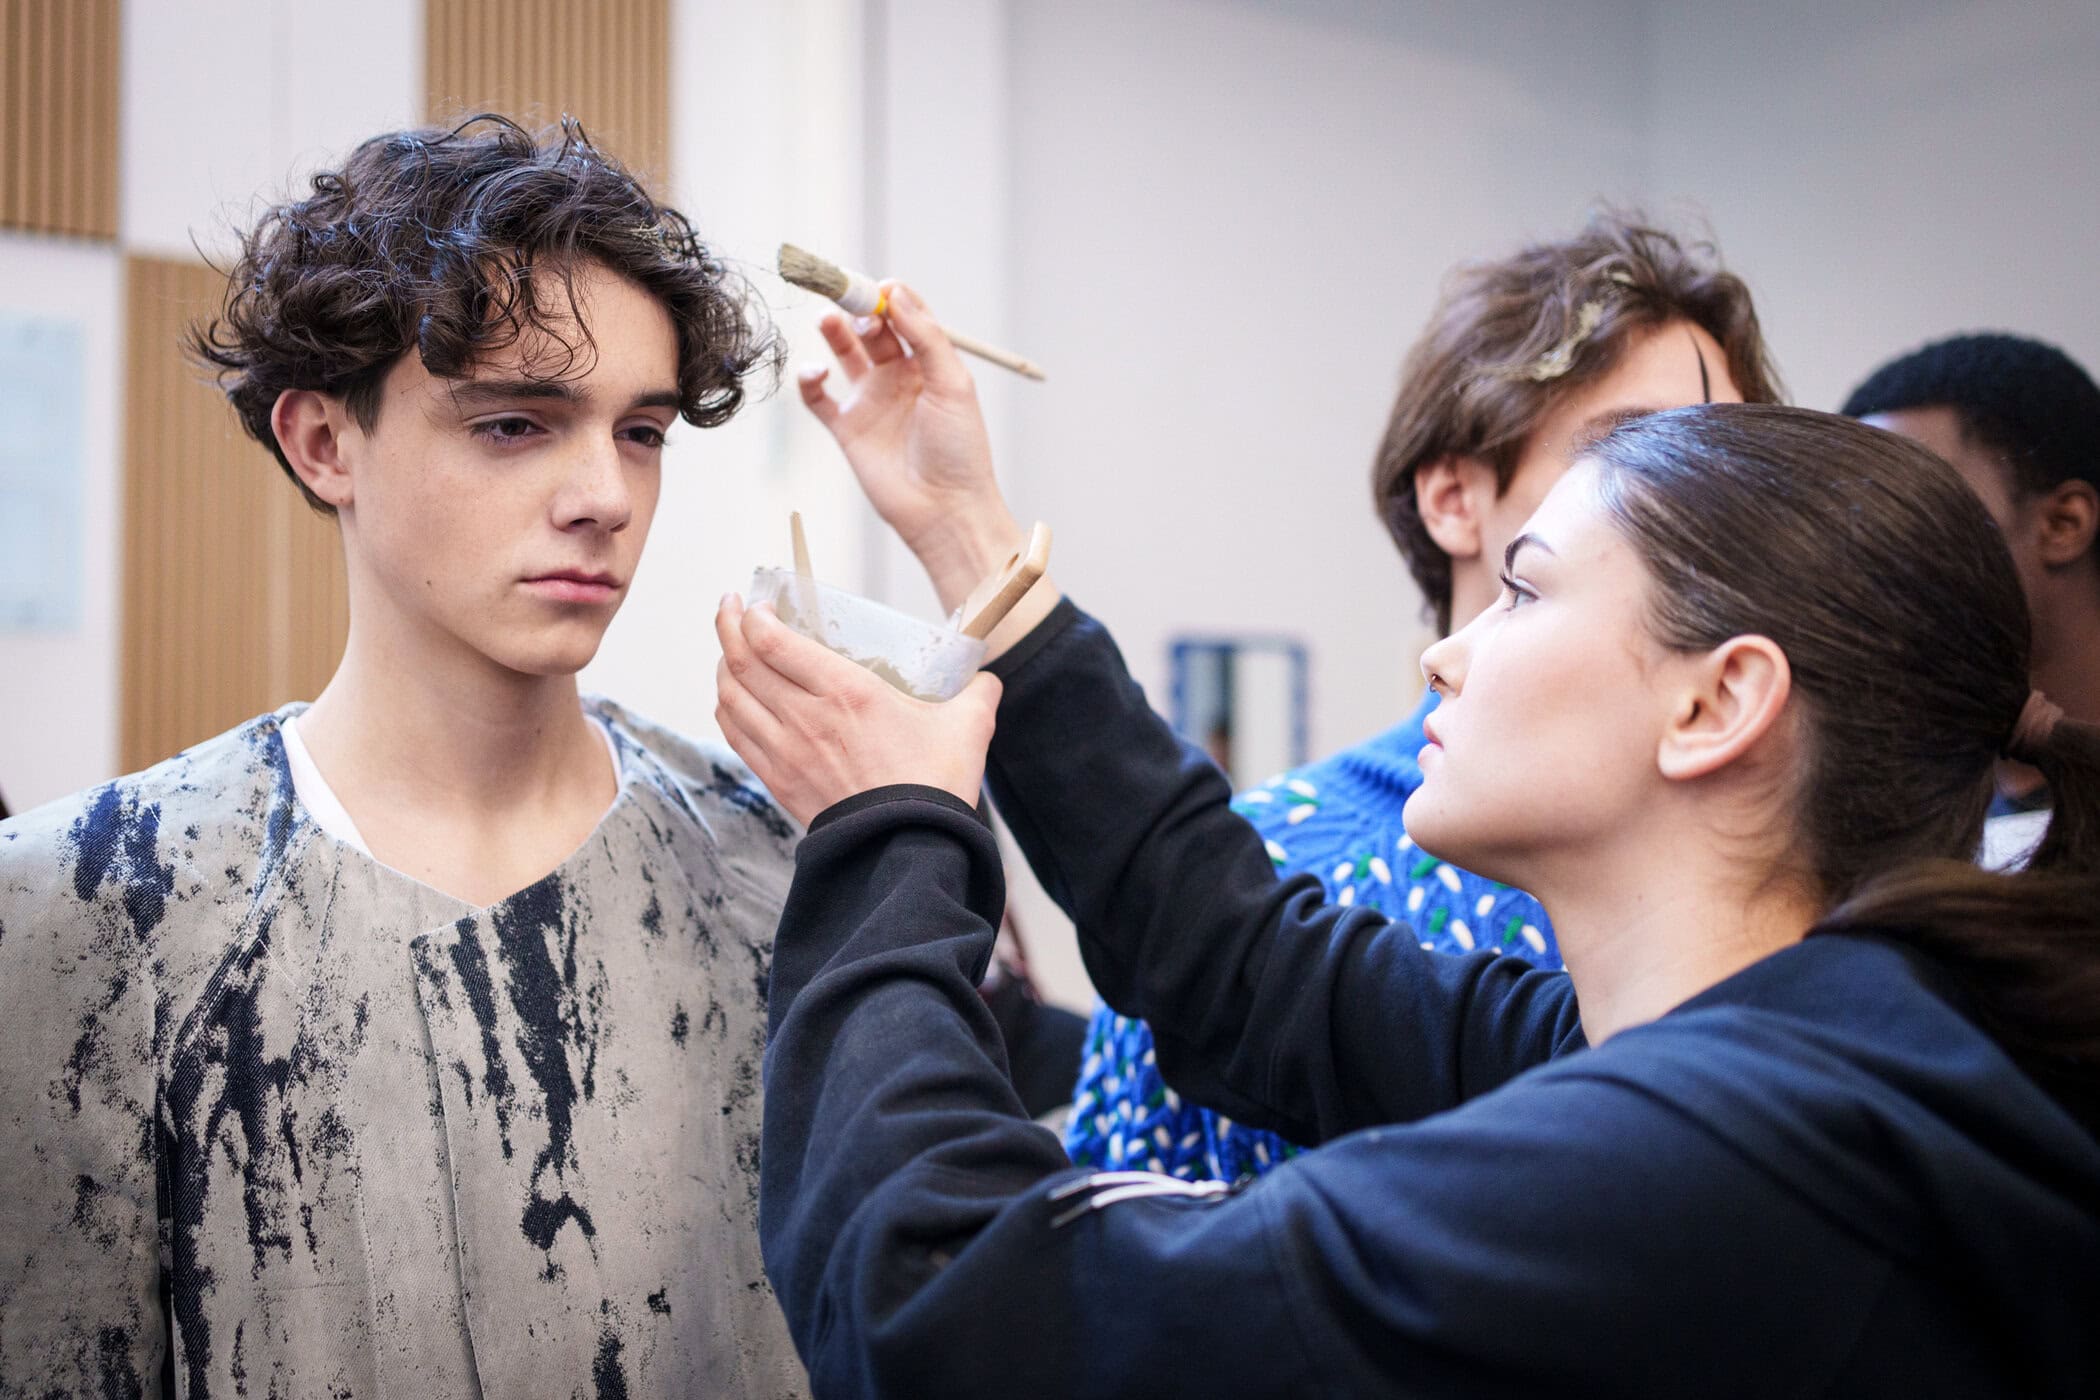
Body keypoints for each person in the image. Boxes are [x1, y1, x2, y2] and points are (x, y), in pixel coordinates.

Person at [716, 288, 2099, 1395]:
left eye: (1528, 593)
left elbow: (942, 1312)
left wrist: (886, 835)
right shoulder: (1836, 1036)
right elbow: (1249, 964)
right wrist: (967, 534)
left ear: (1718, 699)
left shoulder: (1701, 1164)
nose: (1447, 654)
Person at [0, 117, 808, 1397]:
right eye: (514, 424)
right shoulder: (89, 907)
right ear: (325, 443)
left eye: (641, 431)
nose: (603, 491)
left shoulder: (773, 860)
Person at [1069, 211, 1782, 1181]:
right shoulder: (1268, 866)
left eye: (1729, 465)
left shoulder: (1761, 863)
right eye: (1635, 454)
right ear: (1453, 497)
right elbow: (1109, 1259)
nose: (1702, 515)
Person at [1843, 333, 2100, 869]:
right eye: (1859, 521)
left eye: (1916, 509)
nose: (1871, 555)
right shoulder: (1873, 819)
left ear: (2063, 524)